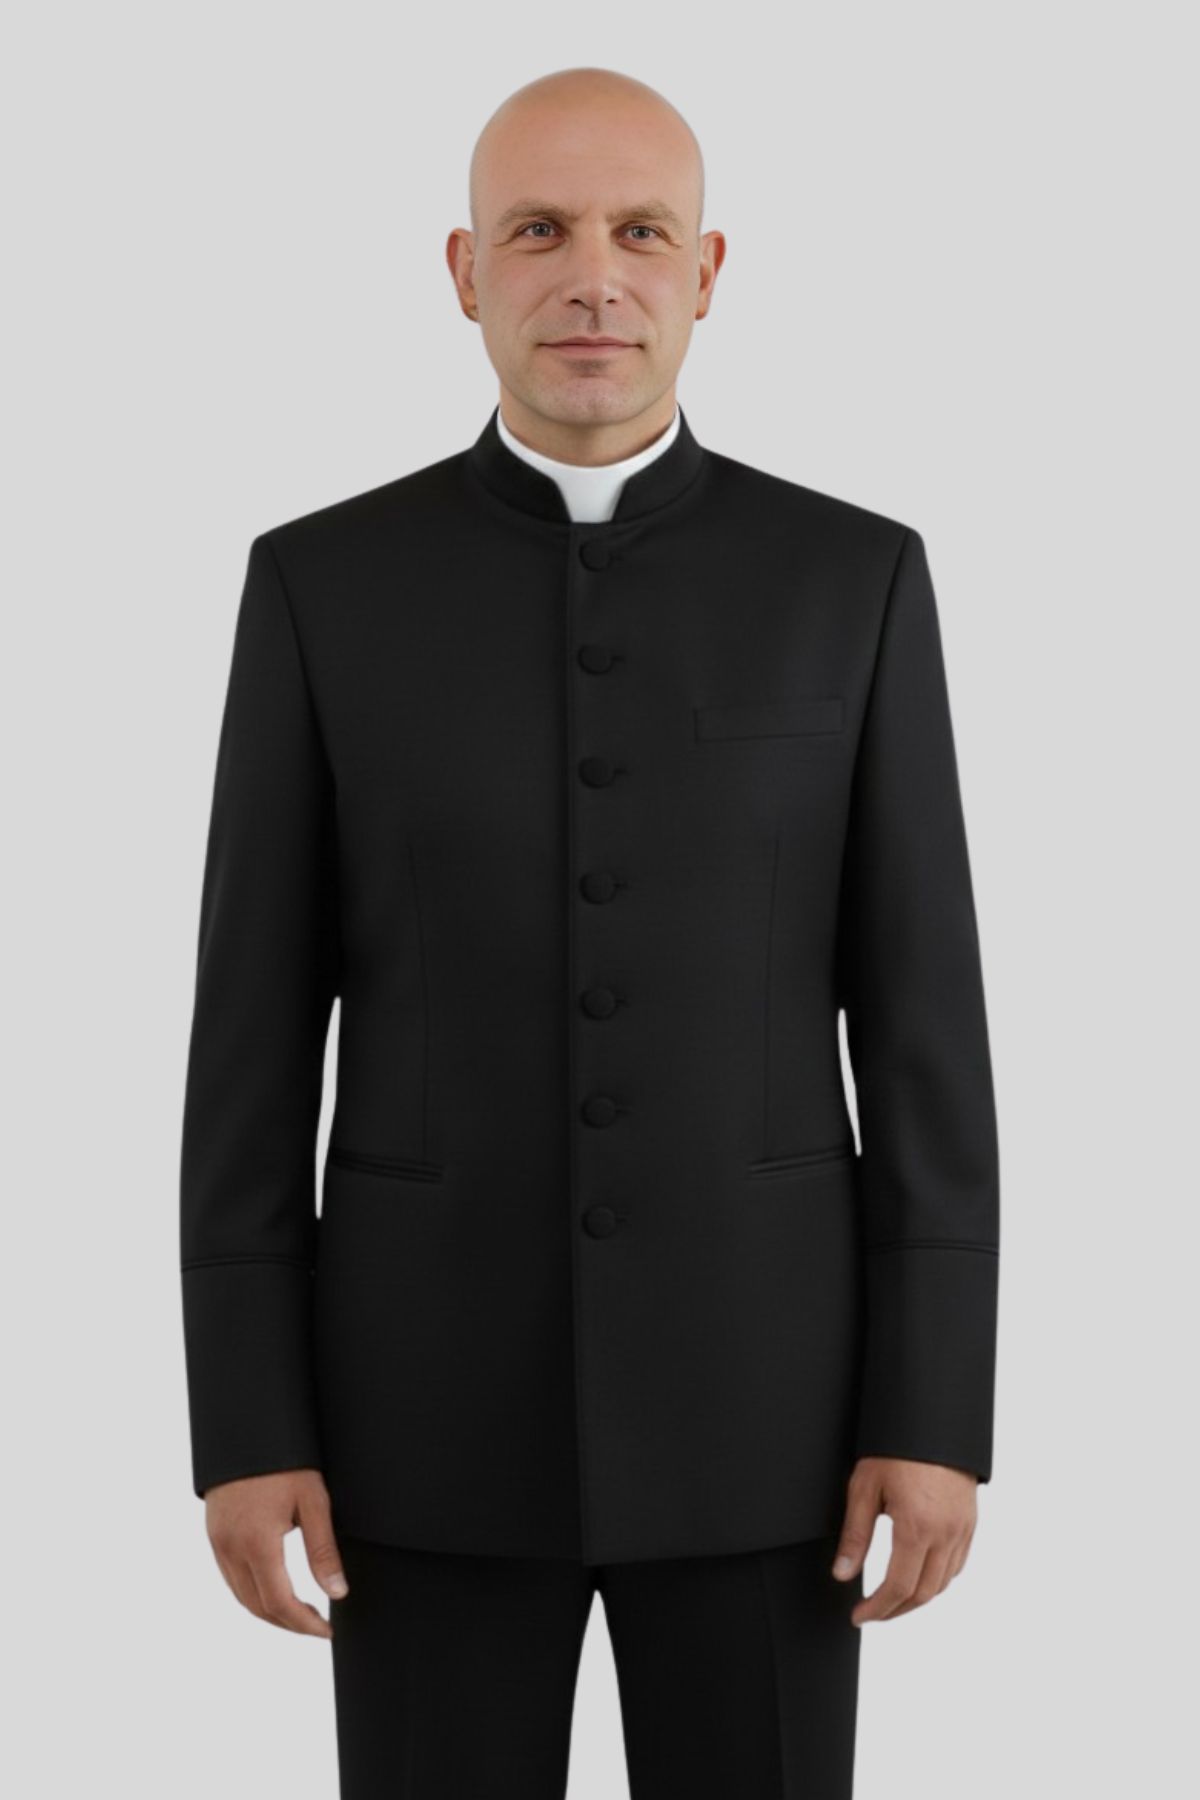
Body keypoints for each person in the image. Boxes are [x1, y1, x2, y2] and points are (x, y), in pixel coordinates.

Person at [180, 64, 1000, 1799]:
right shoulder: (322, 586)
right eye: (540, 231)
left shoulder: (851, 579)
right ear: (463, 268)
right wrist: (246, 1425)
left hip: (772, 1415)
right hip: (417, 1417)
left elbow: (925, 1026)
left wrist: (933, 1410)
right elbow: (248, 1041)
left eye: (641, 232)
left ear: (708, 271)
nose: (593, 279)